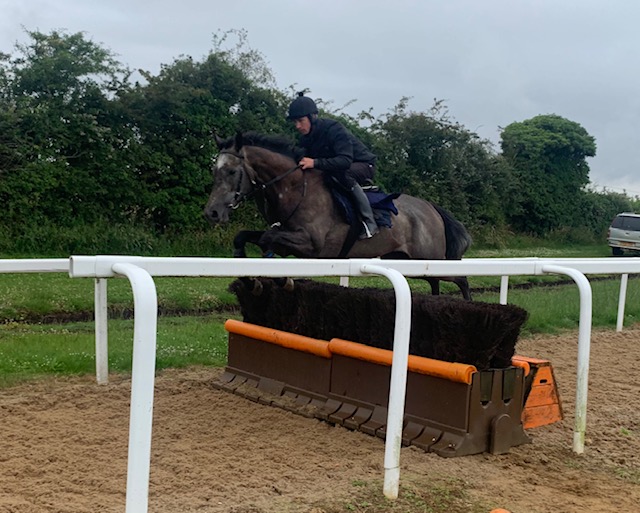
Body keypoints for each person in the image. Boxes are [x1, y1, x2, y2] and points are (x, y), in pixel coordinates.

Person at [287, 92, 379, 239]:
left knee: (341, 174)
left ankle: (369, 222)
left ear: (312, 117)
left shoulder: (334, 129)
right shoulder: (306, 139)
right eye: (294, 122)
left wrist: (315, 162)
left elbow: (344, 161)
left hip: (363, 165)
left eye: (300, 120)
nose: (297, 126)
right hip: (336, 169)